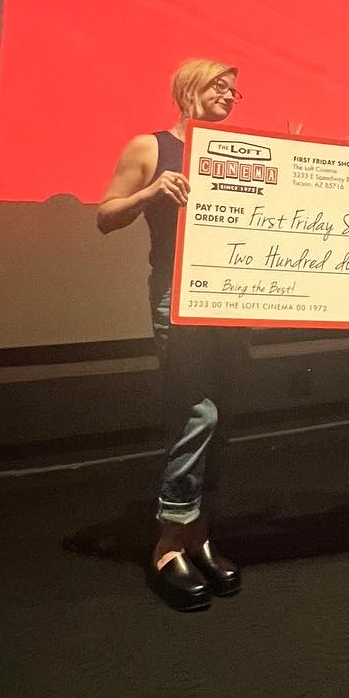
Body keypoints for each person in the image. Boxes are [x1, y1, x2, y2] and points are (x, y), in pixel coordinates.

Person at [98, 59, 249, 612]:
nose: (230, 95)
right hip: (178, 294)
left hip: (234, 296)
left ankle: (199, 533)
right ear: (188, 88)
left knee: (222, 416)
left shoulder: (238, 149)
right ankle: (169, 539)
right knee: (195, 413)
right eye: (219, 85)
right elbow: (106, 215)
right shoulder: (151, 146)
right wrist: (152, 192)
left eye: (235, 91)